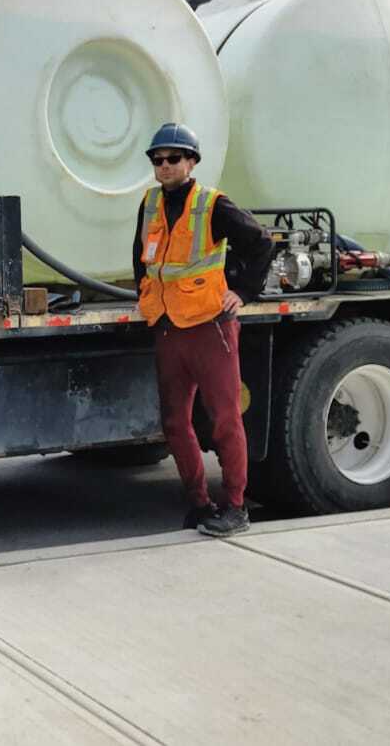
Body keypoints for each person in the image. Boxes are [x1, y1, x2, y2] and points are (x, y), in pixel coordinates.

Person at [133, 123, 273, 537]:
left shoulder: (212, 204)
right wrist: (146, 297)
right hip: (168, 327)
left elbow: (261, 242)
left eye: (174, 158)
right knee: (175, 423)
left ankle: (235, 507)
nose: (165, 165)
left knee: (226, 420)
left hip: (210, 327)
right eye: (158, 160)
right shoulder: (150, 203)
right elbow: (142, 257)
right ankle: (199, 502)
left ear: (191, 162)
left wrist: (244, 292)